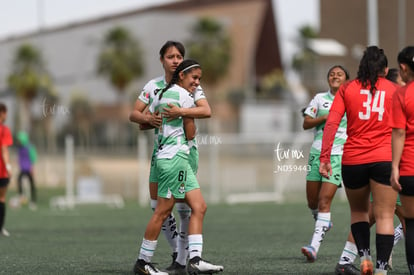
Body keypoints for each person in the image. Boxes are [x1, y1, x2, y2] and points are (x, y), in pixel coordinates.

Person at [132, 59, 223, 275]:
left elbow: (146, 122)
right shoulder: (183, 96)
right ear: (181, 75)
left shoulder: (164, 93)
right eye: (194, 78)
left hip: (174, 158)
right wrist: (186, 113)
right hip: (174, 159)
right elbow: (190, 132)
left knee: (199, 207)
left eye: (199, 78)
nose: (197, 82)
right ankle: (143, 262)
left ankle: (195, 260)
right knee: (163, 211)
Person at [319, 46, 399, 275]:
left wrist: (325, 157)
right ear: (385, 69)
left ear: (361, 67)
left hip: (353, 160)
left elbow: (332, 124)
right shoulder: (394, 90)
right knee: (385, 216)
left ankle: (364, 257)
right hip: (385, 158)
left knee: (359, 213)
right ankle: (382, 271)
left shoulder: (347, 89)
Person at [300, 65, 359, 274]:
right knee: (312, 202)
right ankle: (323, 222)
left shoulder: (352, 98)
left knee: (325, 201)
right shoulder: (319, 98)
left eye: (339, 74)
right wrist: (325, 118)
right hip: (317, 153)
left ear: (347, 80)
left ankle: (313, 247)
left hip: (338, 155)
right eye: (332, 74)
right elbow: (306, 123)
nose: (335, 76)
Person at [389, 45, 414, 275]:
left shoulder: (402, 94)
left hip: (410, 168)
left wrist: (394, 167)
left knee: (412, 224)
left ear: (404, 68)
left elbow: (398, 133)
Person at [0, 103, 13, 237]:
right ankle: (1, 228)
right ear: (2, 113)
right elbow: (4, 150)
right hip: (1, 170)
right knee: (1, 198)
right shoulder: (4, 130)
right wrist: (9, 167)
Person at [16, 130, 37, 210]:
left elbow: (33, 157)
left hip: (29, 168)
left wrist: (32, 168)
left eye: (19, 140)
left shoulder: (29, 147)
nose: (18, 141)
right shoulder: (19, 148)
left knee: (32, 185)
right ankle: (21, 197)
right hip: (22, 168)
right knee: (19, 180)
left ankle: (33, 201)